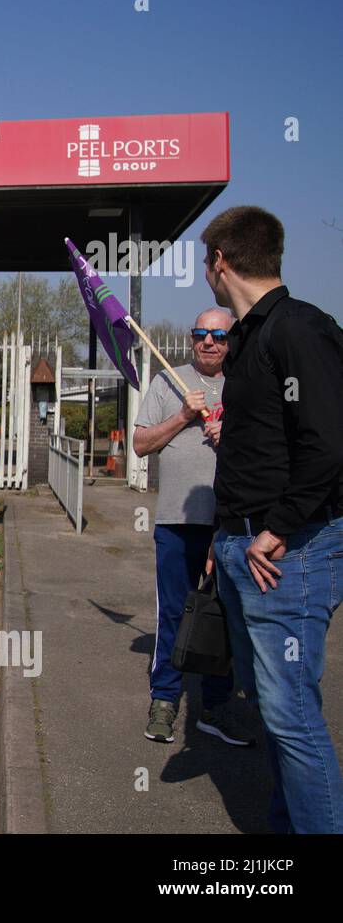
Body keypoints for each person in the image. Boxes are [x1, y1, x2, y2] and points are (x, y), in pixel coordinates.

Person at [202, 205, 343, 833]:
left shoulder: (299, 329)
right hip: (242, 542)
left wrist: (278, 526)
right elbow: (271, 442)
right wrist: (223, 532)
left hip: (288, 551)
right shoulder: (250, 337)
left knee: (291, 715)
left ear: (221, 262)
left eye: (207, 262)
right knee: (271, 705)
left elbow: (329, 444)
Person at [133, 306, 254, 746]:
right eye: (201, 334)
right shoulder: (168, 381)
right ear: (190, 337)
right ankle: (164, 700)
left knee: (227, 619)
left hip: (232, 524)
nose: (209, 342)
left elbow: (274, 449)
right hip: (177, 522)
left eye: (219, 336)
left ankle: (216, 707)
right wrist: (183, 416)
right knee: (175, 615)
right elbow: (141, 444)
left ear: (231, 341)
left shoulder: (246, 384)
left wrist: (235, 439)